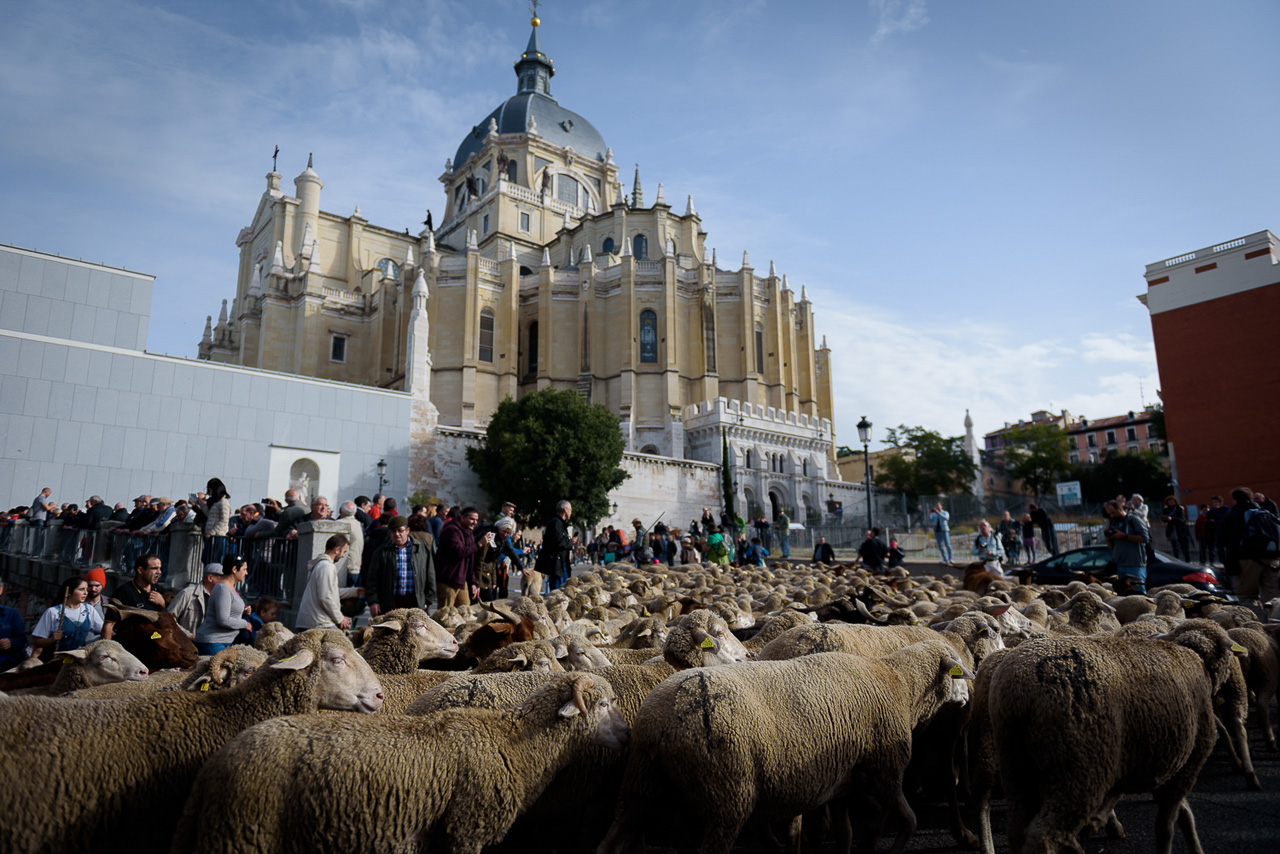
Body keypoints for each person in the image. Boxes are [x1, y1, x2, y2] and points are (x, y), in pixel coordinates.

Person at [1221, 487, 1280, 617]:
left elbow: (1225, 540)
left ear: (1235, 500)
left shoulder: (1233, 515)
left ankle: (1259, 625)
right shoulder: (1266, 513)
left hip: (1247, 560)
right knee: (1273, 597)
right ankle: (1276, 624)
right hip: (1273, 560)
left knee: (1247, 596)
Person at [366, 515, 436, 616]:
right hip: (391, 602)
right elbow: (372, 579)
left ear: (407, 530)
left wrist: (428, 599)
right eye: (393, 531)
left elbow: (430, 574)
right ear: (389, 533)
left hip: (415, 601)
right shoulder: (382, 552)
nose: (397, 534)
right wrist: (373, 601)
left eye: (400, 531)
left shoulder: (421, 549)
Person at [297, 533, 362, 630]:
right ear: (337, 550)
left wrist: (355, 591)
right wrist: (340, 619)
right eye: (344, 552)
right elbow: (326, 597)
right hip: (318, 623)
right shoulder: (326, 567)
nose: (343, 555)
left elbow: (332, 592)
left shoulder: (321, 565)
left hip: (314, 621)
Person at [31, 576, 104, 656]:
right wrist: (52, 639)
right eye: (81, 589)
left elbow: (104, 630)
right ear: (68, 592)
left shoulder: (89, 610)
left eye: (86, 589)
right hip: (56, 658)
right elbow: (37, 642)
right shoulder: (53, 612)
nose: (85, 593)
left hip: (79, 658)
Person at [193, 558, 252, 655]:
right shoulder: (223, 589)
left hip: (222, 641)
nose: (246, 573)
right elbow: (223, 620)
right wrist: (244, 623)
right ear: (234, 569)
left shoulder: (229, 587)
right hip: (213, 642)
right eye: (244, 569)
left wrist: (242, 611)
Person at [1104, 498, 1150, 594]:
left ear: (1120, 509)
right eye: (1109, 514)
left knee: (1139, 593)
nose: (1112, 516)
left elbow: (1145, 538)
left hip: (1135, 565)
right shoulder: (1114, 522)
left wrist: (1125, 536)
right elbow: (1112, 547)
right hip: (1120, 564)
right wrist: (1108, 538)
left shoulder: (1134, 520)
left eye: (1113, 513)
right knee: (1123, 594)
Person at [435, 508, 479, 606]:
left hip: (461, 580)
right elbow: (459, 551)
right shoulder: (451, 530)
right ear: (462, 517)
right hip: (448, 579)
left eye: (476, 520)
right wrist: (479, 545)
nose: (475, 522)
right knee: (446, 612)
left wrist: (472, 582)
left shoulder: (468, 532)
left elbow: (470, 560)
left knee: (465, 610)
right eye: (472, 519)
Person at [167, 564, 222, 637]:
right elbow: (168, 619)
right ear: (210, 578)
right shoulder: (188, 593)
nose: (225, 581)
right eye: (221, 578)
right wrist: (189, 636)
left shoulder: (221, 598)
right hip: (187, 642)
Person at [534, 500, 574, 591]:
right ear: (565, 510)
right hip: (557, 565)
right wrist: (570, 542)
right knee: (557, 592)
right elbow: (558, 542)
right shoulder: (555, 523)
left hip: (561, 564)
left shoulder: (561, 524)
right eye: (570, 510)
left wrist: (570, 541)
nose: (571, 512)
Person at [0, 576, 28, 672]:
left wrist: (10, 642)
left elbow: (22, 640)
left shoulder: (12, 614)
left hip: (4, 666)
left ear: (1, 589)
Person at [1161, 496, 1192, 562]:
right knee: (1175, 548)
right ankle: (1177, 561)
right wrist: (1165, 519)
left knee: (1184, 546)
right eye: (1169, 502)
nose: (1171, 503)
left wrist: (1172, 519)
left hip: (1181, 530)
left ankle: (1188, 561)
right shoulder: (1166, 509)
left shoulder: (1179, 508)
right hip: (1172, 530)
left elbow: (1182, 519)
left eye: (1172, 501)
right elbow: (1163, 518)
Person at [83, 566, 108, 639]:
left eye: (97, 586)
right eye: (90, 586)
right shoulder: (77, 603)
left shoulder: (109, 604)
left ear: (103, 585)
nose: (93, 589)